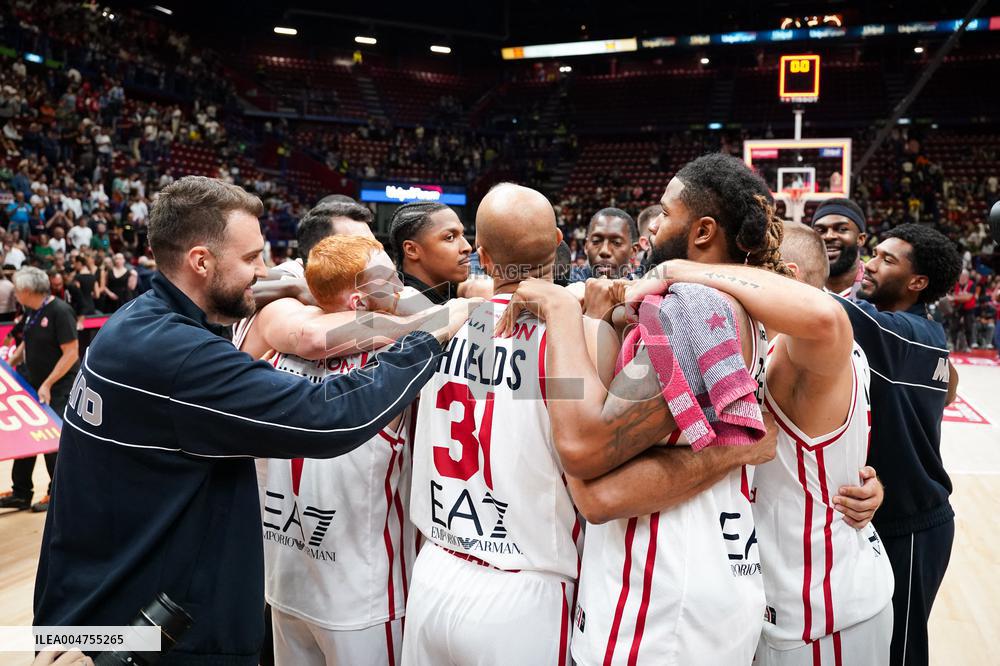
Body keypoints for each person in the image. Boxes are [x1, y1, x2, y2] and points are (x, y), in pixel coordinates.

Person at [32, 177, 466, 665]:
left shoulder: (133, 325)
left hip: (129, 613)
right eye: (251, 258)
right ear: (201, 261)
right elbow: (329, 417)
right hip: (156, 634)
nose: (263, 272)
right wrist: (427, 336)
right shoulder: (181, 354)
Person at [502, 154, 883, 665]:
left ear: (703, 231)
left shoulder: (694, 310)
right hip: (717, 576)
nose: (650, 228)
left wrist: (562, 312)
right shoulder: (725, 314)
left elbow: (584, 450)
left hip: (661, 599)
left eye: (662, 214)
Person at [402, 183, 616, 665]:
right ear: (561, 241)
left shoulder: (443, 326)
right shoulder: (582, 335)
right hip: (526, 586)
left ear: (481, 255)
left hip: (435, 570)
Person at [254, 235, 418, 666]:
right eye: (390, 278)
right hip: (362, 594)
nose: (401, 287)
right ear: (360, 299)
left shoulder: (272, 352)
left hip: (286, 580)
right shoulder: (392, 364)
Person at [837, 223, 962, 666]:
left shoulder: (906, 332)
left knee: (900, 652)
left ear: (917, 283)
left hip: (911, 522)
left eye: (887, 260)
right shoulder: (913, 335)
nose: (869, 264)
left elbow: (818, 306)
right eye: (874, 253)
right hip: (873, 514)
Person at [0, 267, 79, 513]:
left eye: (16, 288)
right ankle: (21, 492)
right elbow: (27, 340)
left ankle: (56, 494)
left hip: (58, 387)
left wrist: (47, 384)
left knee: (52, 440)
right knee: (28, 437)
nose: (15, 293)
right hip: (33, 385)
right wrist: (10, 365)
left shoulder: (60, 311)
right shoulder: (33, 311)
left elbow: (71, 353)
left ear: (26, 290)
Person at [389, 202, 471, 304]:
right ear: (411, 250)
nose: (468, 247)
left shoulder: (450, 296)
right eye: (450, 237)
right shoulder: (402, 312)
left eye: (462, 235)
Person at [810, 198, 867, 297]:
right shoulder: (799, 286)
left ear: (860, 239)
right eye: (820, 230)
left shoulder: (880, 287)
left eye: (842, 229)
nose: (828, 236)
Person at [580, 207, 639, 280]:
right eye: (596, 241)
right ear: (586, 247)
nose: (604, 251)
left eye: (616, 243)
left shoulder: (646, 290)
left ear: (633, 251)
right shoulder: (571, 290)